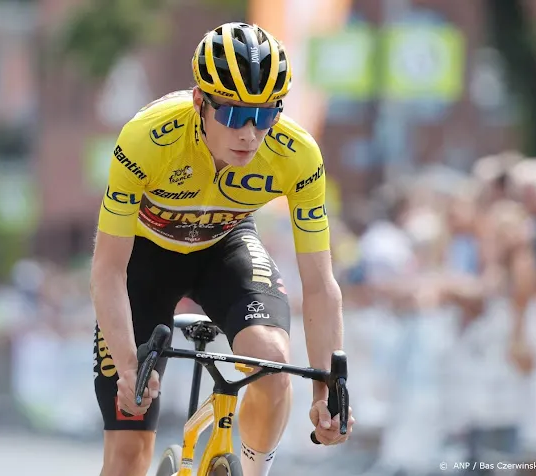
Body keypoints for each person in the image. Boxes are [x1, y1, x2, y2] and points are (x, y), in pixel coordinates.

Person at [90, 22, 355, 476]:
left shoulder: (299, 155)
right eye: (233, 115)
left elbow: (319, 284)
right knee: (128, 454)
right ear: (200, 102)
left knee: (272, 363)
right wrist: (130, 368)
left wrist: (325, 390)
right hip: (145, 260)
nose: (250, 134)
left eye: (264, 116)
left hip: (224, 245)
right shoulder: (146, 139)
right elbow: (108, 269)